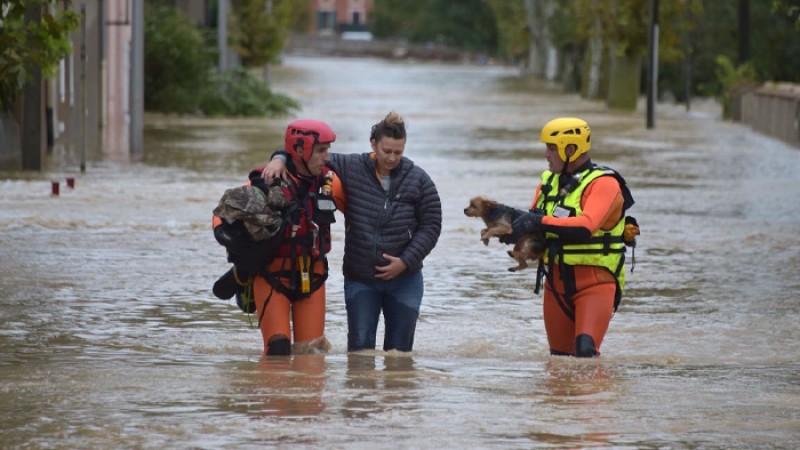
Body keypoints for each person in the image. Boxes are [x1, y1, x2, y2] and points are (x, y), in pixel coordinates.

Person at [264, 112, 442, 353]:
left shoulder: (419, 180)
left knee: (399, 355)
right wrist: (279, 158)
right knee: (359, 355)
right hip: (361, 280)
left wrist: (405, 261)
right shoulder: (351, 167)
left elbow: (432, 226)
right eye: (386, 151)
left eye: (398, 152)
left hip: (405, 280)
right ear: (373, 145)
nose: (392, 158)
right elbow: (309, 155)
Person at [501, 117, 637, 357]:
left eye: (552, 148)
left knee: (585, 355)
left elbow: (585, 227)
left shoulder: (605, 183)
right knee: (559, 363)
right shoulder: (548, 181)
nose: (546, 154)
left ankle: (600, 384)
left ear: (571, 149)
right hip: (556, 284)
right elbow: (536, 223)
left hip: (595, 283)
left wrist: (537, 221)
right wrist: (510, 228)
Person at [213, 119, 338, 356]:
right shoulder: (266, 181)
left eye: (328, 149)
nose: (327, 157)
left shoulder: (330, 182)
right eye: (321, 150)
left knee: (311, 354)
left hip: (313, 278)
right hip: (271, 277)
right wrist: (235, 243)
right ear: (299, 150)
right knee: (277, 350)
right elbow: (222, 215)